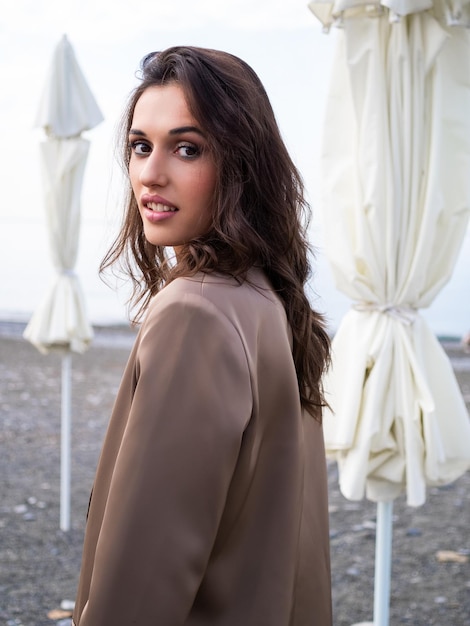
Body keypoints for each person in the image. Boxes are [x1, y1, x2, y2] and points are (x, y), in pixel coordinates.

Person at [73, 46, 332, 626]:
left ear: (241, 164)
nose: (150, 174)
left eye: (186, 148)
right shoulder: (271, 299)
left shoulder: (194, 314)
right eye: (141, 146)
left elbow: (139, 588)